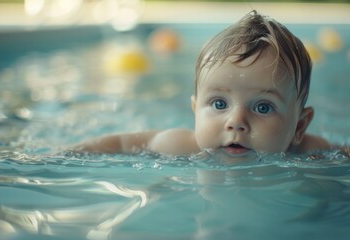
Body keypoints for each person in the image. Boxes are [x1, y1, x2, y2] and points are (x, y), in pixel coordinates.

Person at [74, 10, 330, 160]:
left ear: (299, 126)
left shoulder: (306, 152)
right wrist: (69, 155)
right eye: (219, 103)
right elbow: (120, 144)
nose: (236, 121)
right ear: (195, 110)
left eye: (263, 107)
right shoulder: (181, 147)